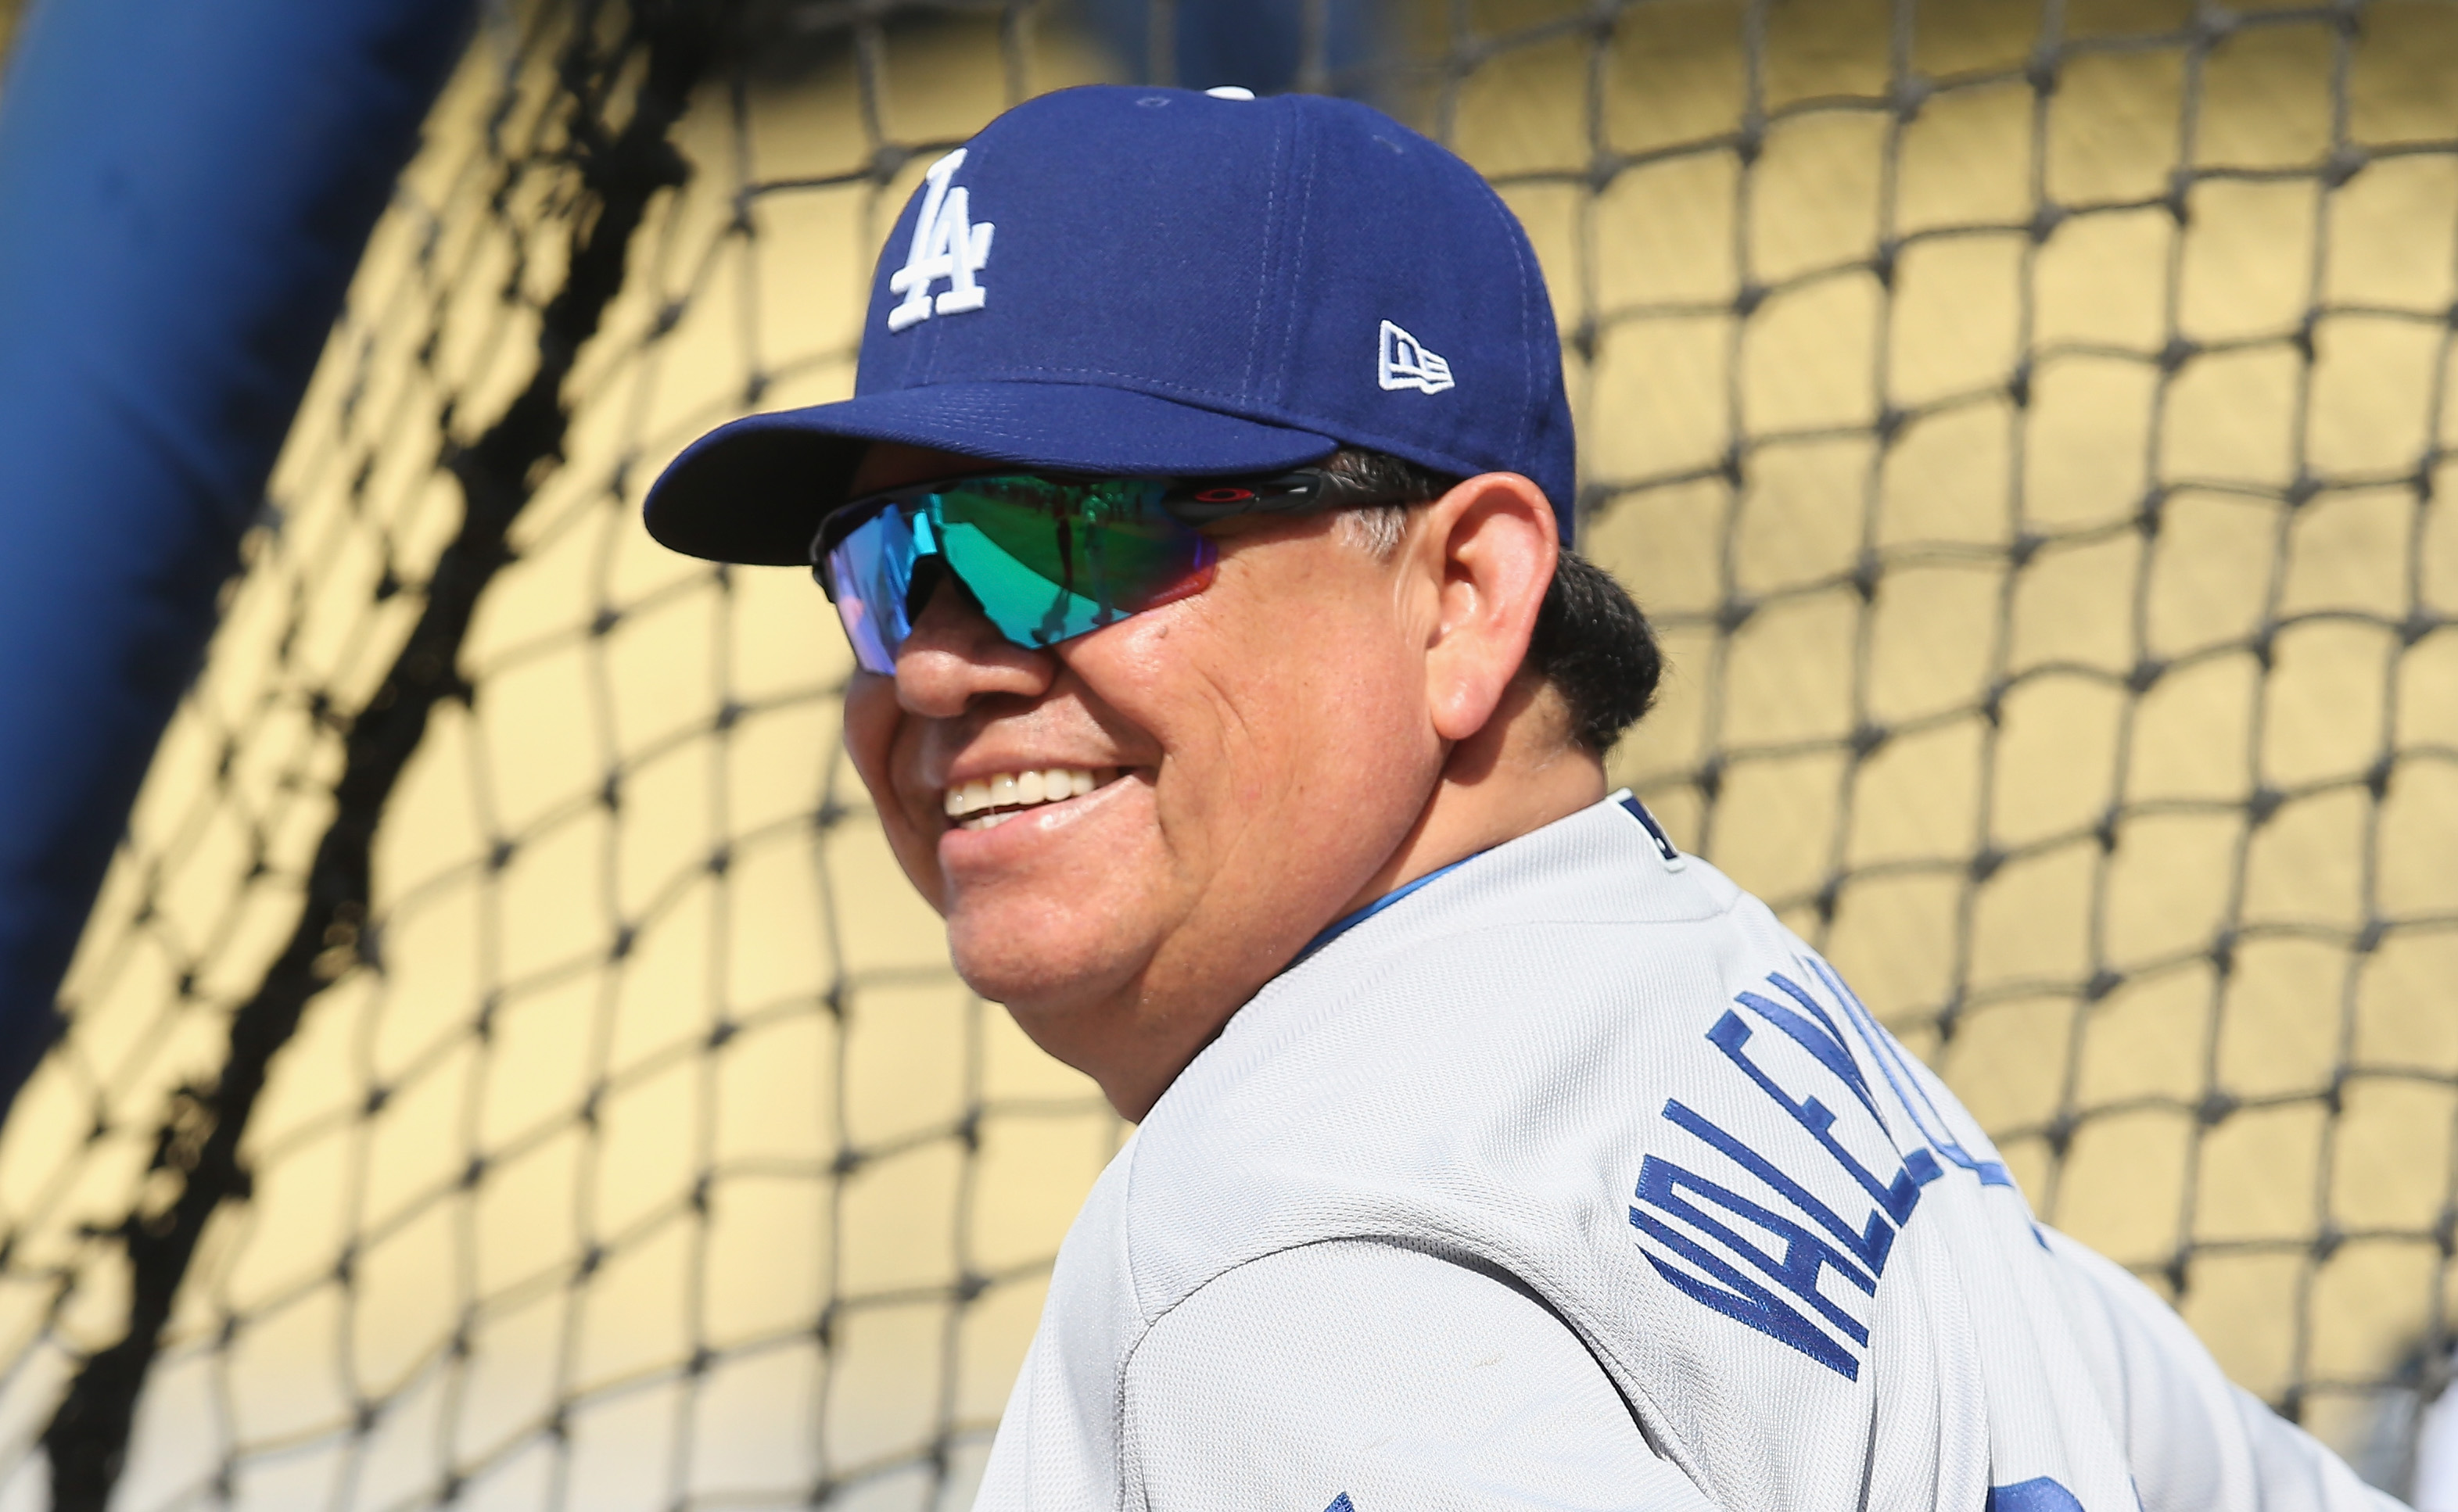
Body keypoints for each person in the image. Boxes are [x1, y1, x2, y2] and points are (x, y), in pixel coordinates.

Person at [644, 84, 2401, 1512]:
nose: (938, 667)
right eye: (890, 566)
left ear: (1466, 594)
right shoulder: (1746, 1030)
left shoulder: (1282, 1260)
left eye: (1066, 540)